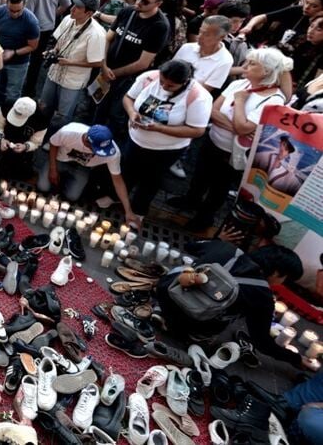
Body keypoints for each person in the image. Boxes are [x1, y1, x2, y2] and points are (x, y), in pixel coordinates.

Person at [169, 48, 292, 231]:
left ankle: (204, 219)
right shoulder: (240, 84)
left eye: (252, 63)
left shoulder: (274, 100)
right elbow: (212, 110)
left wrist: (240, 102)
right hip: (213, 140)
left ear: (266, 71)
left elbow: (244, 127)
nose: (246, 66)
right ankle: (191, 200)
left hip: (231, 153)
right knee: (200, 176)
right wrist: (237, 128)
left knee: (218, 188)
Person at [156, 241, 304, 368]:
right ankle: (195, 336)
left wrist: (218, 244)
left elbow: (190, 246)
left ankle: (159, 312)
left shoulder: (226, 247)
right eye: (285, 279)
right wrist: (295, 359)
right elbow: (262, 342)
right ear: (277, 273)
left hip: (164, 294)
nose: (282, 283)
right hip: (187, 325)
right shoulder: (263, 296)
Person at [121, 59, 210, 225]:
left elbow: (197, 130)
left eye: (170, 86)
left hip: (166, 149)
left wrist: (160, 129)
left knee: (150, 180)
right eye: (162, 82)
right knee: (127, 171)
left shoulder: (199, 97)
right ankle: (119, 200)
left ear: (184, 83)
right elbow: (128, 97)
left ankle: (138, 211)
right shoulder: (149, 77)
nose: (163, 87)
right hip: (136, 139)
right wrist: (132, 113)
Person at [94, 0, 172, 141]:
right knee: (96, 107)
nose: (138, 2)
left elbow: (143, 63)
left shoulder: (159, 26)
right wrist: (103, 66)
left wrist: (112, 72)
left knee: (116, 116)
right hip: (106, 70)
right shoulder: (127, 11)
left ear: (159, 3)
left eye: (145, 1)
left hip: (127, 80)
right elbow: (108, 38)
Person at [38, 122, 138, 226]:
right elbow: (53, 143)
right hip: (60, 160)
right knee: (42, 187)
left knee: (72, 196)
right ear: (86, 141)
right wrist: (53, 169)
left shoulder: (112, 152)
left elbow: (118, 181)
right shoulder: (69, 132)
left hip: (82, 167)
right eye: (97, 150)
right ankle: (59, 180)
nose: (101, 153)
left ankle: (64, 182)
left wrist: (128, 211)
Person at [40, 0, 107, 135]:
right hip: (55, 72)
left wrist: (70, 62)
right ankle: (39, 132)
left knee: (63, 114)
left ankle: (56, 139)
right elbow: (58, 41)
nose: (72, 9)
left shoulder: (97, 33)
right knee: (44, 106)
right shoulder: (67, 19)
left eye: (77, 7)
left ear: (89, 12)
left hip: (73, 80)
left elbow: (97, 62)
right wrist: (52, 52)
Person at [23, 0, 71, 95]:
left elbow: (28, 10)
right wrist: (54, 14)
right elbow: (66, 3)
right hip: (48, 26)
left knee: (27, 58)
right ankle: (30, 89)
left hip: (32, 27)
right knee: (37, 60)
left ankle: (26, 88)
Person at [0, 0, 40, 107]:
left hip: (19, 63)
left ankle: (8, 117)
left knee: (13, 93)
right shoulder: (0, 11)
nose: (14, 14)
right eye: (11, 10)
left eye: (18, 11)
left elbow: (33, 46)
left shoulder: (31, 21)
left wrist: (14, 52)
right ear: (6, 3)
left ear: (24, 5)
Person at [0, 97, 48, 181]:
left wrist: (25, 146)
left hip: (23, 144)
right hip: (4, 137)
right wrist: (1, 139)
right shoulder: (6, 106)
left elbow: (36, 142)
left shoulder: (41, 120)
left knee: (20, 173)